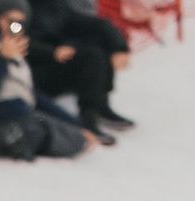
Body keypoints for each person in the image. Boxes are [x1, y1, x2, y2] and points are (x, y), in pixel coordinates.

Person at [0, 0, 91, 160]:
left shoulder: (16, 56)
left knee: (71, 135)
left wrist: (78, 124)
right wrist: (1, 57)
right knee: (38, 133)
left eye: (20, 24)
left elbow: (32, 96)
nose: (15, 28)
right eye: (11, 22)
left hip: (20, 115)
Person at [25, 0, 131, 142]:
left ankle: (97, 107)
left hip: (57, 63)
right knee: (91, 57)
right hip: (31, 72)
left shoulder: (52, 4)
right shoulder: (16, 6)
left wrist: (118, 47)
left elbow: (88, 22)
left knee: (97, 42)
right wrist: (51, 52)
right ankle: (87, 121)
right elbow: (11, 39)